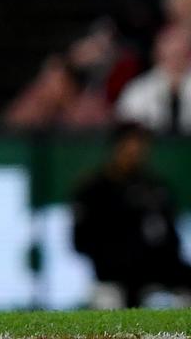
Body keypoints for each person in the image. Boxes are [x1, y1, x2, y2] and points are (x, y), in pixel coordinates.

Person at [72, 121, 191, 308]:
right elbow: (80, 242)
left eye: (141, 145)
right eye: (130, 144)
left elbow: (172, 239)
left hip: (156, 274)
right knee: (109, 302)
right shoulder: (95, 190)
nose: (135, 151)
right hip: (113, 277)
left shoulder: (156, 189)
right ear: (117, 146)